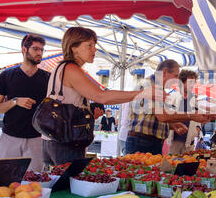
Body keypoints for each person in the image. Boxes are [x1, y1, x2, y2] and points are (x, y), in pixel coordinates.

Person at [41, 26, 161, 167]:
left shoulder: (60, 68)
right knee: (69, 185)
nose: (94, 49)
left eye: (94, 45)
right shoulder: (71, 69)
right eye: (89, 45)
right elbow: (102, 96)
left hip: (52, 139)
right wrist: (140, 93)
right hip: (65, 142)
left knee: (56, 184)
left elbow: (70, 104)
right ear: (74, 48)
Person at [126, 59, 211, 155]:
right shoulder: (148, 85)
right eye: (175, 76)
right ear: (165, 72)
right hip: (142, 142)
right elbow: (162, 116)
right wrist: (191, 115)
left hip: (148, 142)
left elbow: (152, 118)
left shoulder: (157, 88)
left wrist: (171, 125)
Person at [0, 34, 50, 172]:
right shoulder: (6, 75)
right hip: (10, 138)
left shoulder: (48, 78)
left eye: (42, 50)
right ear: (24, 49)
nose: (39, 53)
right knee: (2, 182)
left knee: (33, 185)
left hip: (37, 140)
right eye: (35, 49)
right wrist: (15, 102)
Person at [167, 70, 202, 155]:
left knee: (187, 165)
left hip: (189, 142)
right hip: (174, 141)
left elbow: (198, 117)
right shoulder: (172, 97)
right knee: (172, 164)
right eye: (190, 82)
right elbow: (167, 116)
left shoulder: (194, 100)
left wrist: (198, 128)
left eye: (194, 82)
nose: (192, 85)